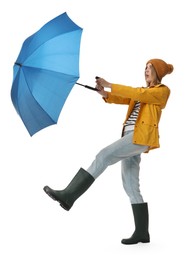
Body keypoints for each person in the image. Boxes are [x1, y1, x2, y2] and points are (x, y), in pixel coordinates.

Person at [44, 58, 173, 245]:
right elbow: (126, 97)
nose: (145, 70)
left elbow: (135, 93)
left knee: (103, 155)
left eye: (150, 68)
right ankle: (142, 233)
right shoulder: (143, 92)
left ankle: (69, 195)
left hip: (140, 137)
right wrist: (104, 93)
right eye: (144, 67)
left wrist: (110, 84)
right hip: (130, 137)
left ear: (158, 72)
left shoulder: (161, 91)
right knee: (131, 187)